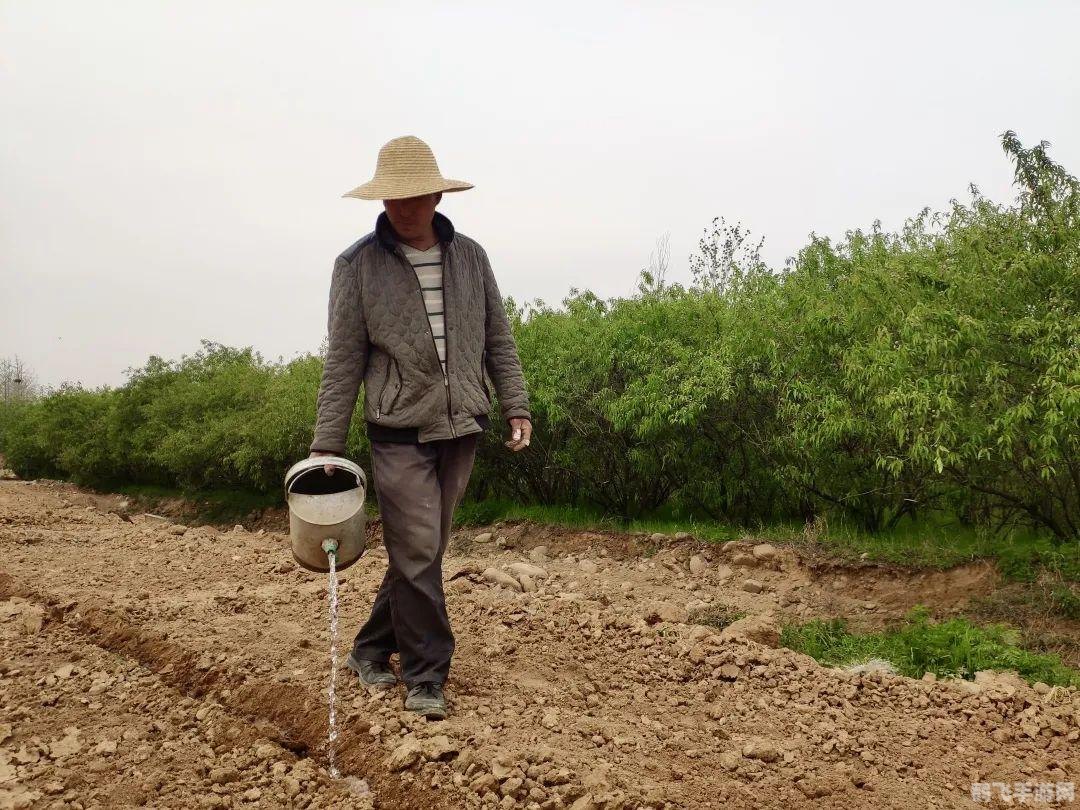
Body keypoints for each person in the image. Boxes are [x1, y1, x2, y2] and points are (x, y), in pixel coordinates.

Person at [308, 135, 532, 720]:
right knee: (416, 553)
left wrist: (516, 404)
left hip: (461, 426)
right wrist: (326, 444)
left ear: (435, 194)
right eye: (390, 199)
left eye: (412, 197)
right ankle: (426, 675)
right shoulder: (355, 266)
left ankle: (369, 647)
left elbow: (498, 339)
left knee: (421, 552)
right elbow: (344, 360)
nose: (400, 208)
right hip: (398, 431)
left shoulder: (471, 257)